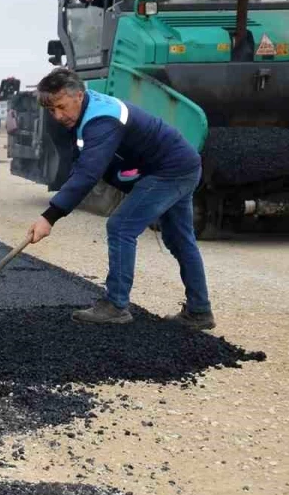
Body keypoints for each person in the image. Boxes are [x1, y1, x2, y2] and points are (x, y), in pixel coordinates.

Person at [25, 68, 214, 329]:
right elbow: (83, 164)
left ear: (79, 95)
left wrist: (50, 217)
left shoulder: (102, 119)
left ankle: (116, 305)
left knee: (121, 225)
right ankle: (200, 312)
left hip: (170, 170)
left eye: (61, 107)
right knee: (180, 239)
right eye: (51, 110)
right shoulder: (85, 112)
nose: (58, 116)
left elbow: (89, 173)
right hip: (179, 165)